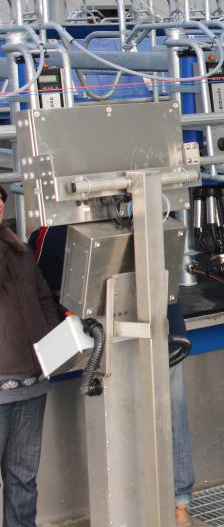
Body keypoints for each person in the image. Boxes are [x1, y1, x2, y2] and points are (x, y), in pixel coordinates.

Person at [28, 225, 202, 527]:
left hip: (116, 338)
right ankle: (177, 505)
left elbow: (40, 285)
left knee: (136, 420)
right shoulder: (150, 214)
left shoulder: (55, 232)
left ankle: (153, 504)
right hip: (159, 330)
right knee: (169, 416)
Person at [0, 185, 62, 527]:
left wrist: (49, 340)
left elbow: (43, 299)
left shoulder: (20, 249)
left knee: (23, 478)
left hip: (33, 382)